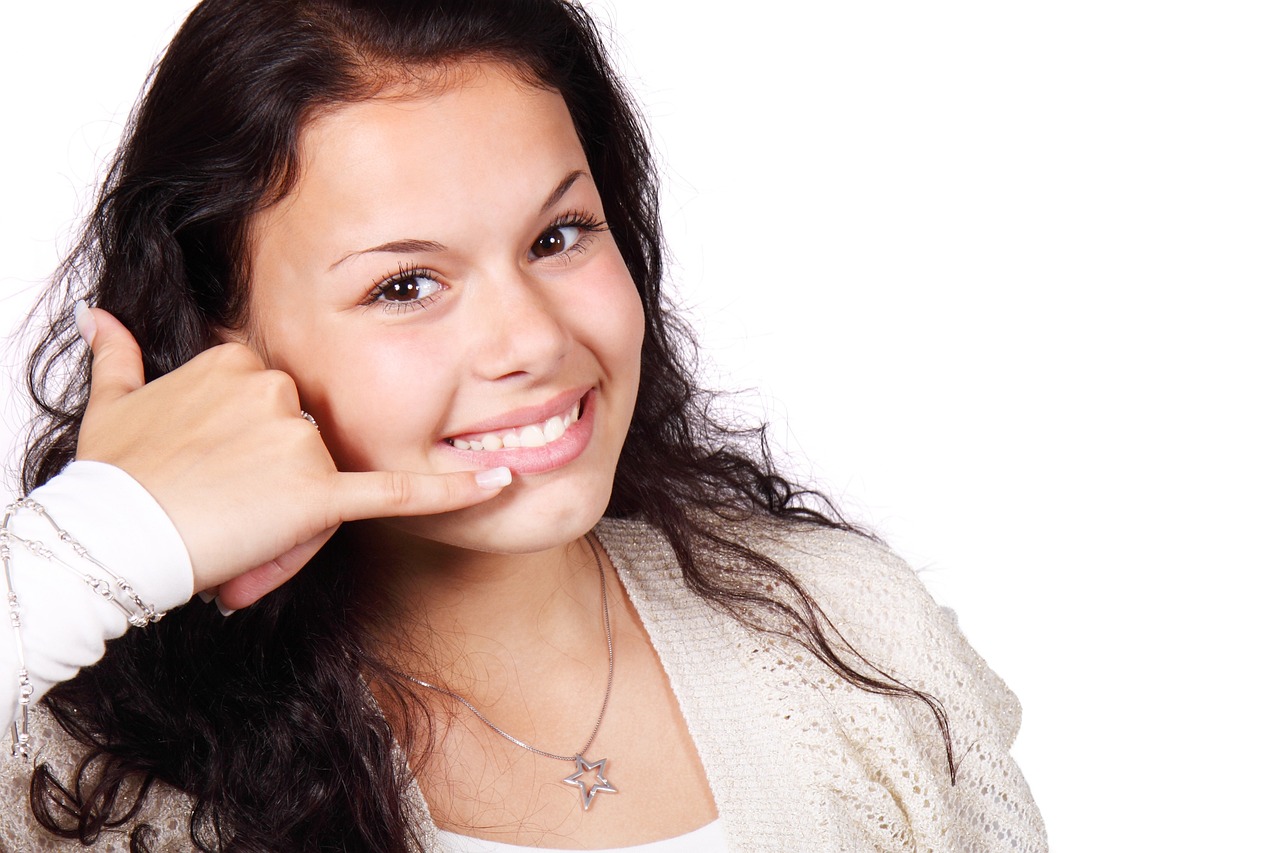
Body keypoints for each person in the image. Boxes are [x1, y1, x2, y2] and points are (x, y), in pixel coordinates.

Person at [0, 0, 1047, 850]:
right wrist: (92, 548)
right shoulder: (83, 756)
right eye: (406, 284)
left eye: (558, 234)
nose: (531, 341)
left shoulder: (852, 632)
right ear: (224, 347)